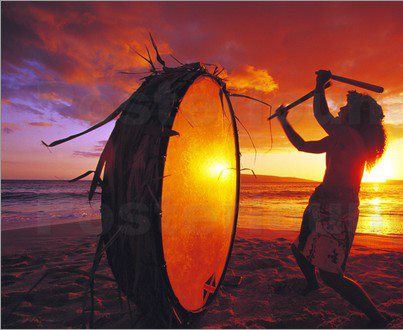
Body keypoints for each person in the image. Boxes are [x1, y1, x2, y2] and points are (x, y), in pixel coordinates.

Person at [276, 70, 387, 325]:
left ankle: (378, 320)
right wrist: (284, 121)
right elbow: (302, 145)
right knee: (299, 248)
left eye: (347, 108)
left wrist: (318, 85)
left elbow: (321, 115)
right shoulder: (340, 138)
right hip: (322, 201)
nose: (342, 110)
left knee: (333, 276)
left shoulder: (350, 137)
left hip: (339, 208)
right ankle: (312, 284)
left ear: (356, 117)